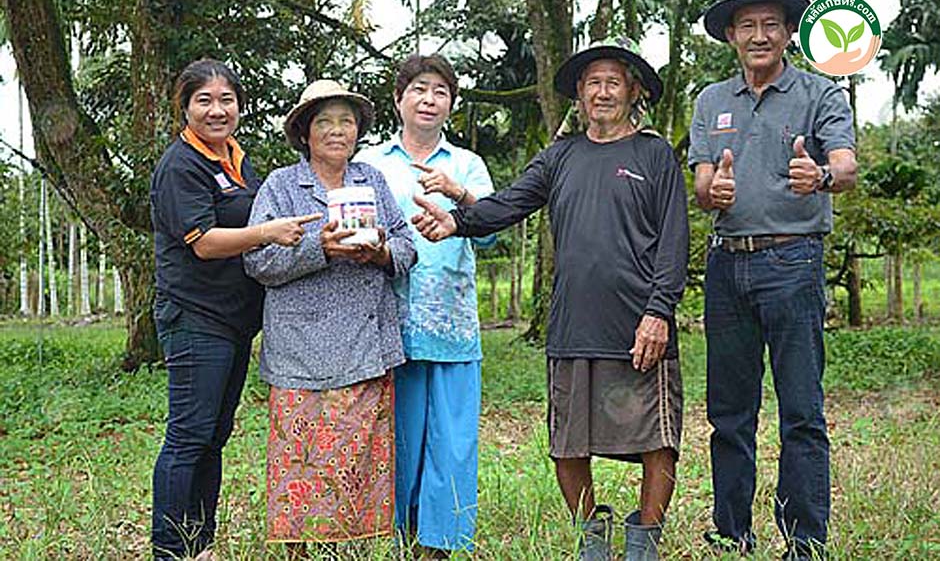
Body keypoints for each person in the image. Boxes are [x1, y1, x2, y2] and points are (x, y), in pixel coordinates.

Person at [411, 39, 689, 561]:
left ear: (632, 92)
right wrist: (457, 220)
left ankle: (645, 542)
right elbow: (510, 203)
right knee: (567, 443)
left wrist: (659, 311)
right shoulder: (561, 156)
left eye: (612, 82)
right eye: (592, 83)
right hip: (572, 324)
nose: (602, 91)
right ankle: (592, 538)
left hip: (638, 326)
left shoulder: (654, 154)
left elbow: (674, 241)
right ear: (579, 97)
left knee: (657, 437)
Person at [690, 0, 858, 560]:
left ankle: (804, 541)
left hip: (794, 261)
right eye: (747, 26)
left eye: (770, 25)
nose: (759, 36)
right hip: (727, 267)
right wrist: (717, 190)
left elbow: (845, 164)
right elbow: (703, 184)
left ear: (789, 33)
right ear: (732, 36)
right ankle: (731, 533)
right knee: (729, 413)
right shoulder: (711, 101)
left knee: (801, 410)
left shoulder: (820, 93)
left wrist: (824, 178)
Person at [150, 59, 317, 560]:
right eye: (204, 100)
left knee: (214, 436)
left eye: (227, 100)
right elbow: (203, 242)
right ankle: (169, 551)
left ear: (240, 107)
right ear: (185, 107)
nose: (217, 110)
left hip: (233, 321)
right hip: (195, 316)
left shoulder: (237, 161)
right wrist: (267, 233)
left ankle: (198, 545)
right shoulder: (182, 165)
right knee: (188, 435)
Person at [243, 79, 416, 556]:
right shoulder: (282, 186)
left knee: (356, 461)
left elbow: (407, 246)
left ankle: (350, 548)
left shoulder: (372, 181)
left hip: (365, 346)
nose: (338, 131)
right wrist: (317, 247)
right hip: (301, 352)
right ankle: (299, 550)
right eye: (325, 121)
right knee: (301, 459)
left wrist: (380, 252)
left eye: (347, 121)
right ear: (305, 132)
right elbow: (256, 262)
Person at [354, 54, 495, 556]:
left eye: (440, 91)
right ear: (399, 99)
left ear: (451, 104)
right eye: (418, 89)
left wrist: (461, 196)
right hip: (390, 321)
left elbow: (491, 236)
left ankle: (442, 538)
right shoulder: (370, 163)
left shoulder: (468, 166)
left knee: (453, 436)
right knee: (400, 432)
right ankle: (395, 530)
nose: (429, 99)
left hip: (454, 323)